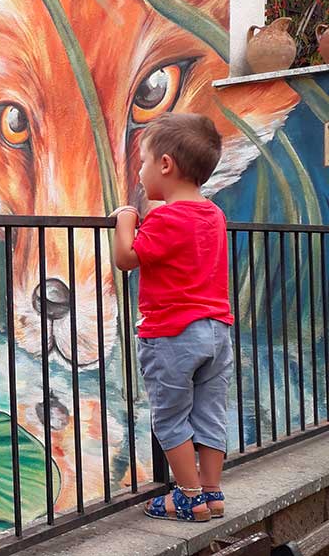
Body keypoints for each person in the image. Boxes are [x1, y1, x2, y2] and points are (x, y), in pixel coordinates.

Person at [113, 113, 234, 522]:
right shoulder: (214, 215)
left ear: (165, 165)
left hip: (173, 334)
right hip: (217, 331)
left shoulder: (166, 218)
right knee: (210, 413)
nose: (140, 172)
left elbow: (127, 258)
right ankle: (213, 492)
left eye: (144, 162)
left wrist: (126, 219)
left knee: (169, 416)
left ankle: (189, 498)